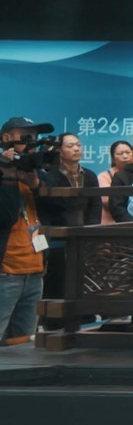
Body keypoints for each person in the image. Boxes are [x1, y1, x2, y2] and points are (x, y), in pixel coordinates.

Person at [1, 118, 50, 346]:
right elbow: (5, 216)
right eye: (26, 136)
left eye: (35, 137)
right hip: (5, 271)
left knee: (23, 346)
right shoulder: (4, 173)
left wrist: (37, 186)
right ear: (7, 138)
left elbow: (57, 212)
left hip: (35, 271)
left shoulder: (36, 172)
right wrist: (8, 176)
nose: (32, 142)